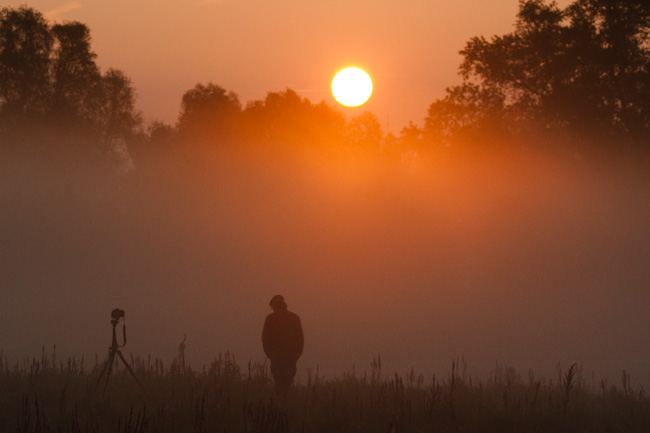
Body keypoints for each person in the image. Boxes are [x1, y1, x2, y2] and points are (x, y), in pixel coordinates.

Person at [262, 295, 304, 394]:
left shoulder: (270, 319)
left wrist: (270, 354)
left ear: (275, 306)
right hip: (290, 357)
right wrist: (296, 355)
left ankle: (279, 401)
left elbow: (265, 338)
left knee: (278, 382)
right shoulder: (294, 318)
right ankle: (287, 400)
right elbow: (300, 339)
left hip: (277, 357)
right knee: (288, 382)